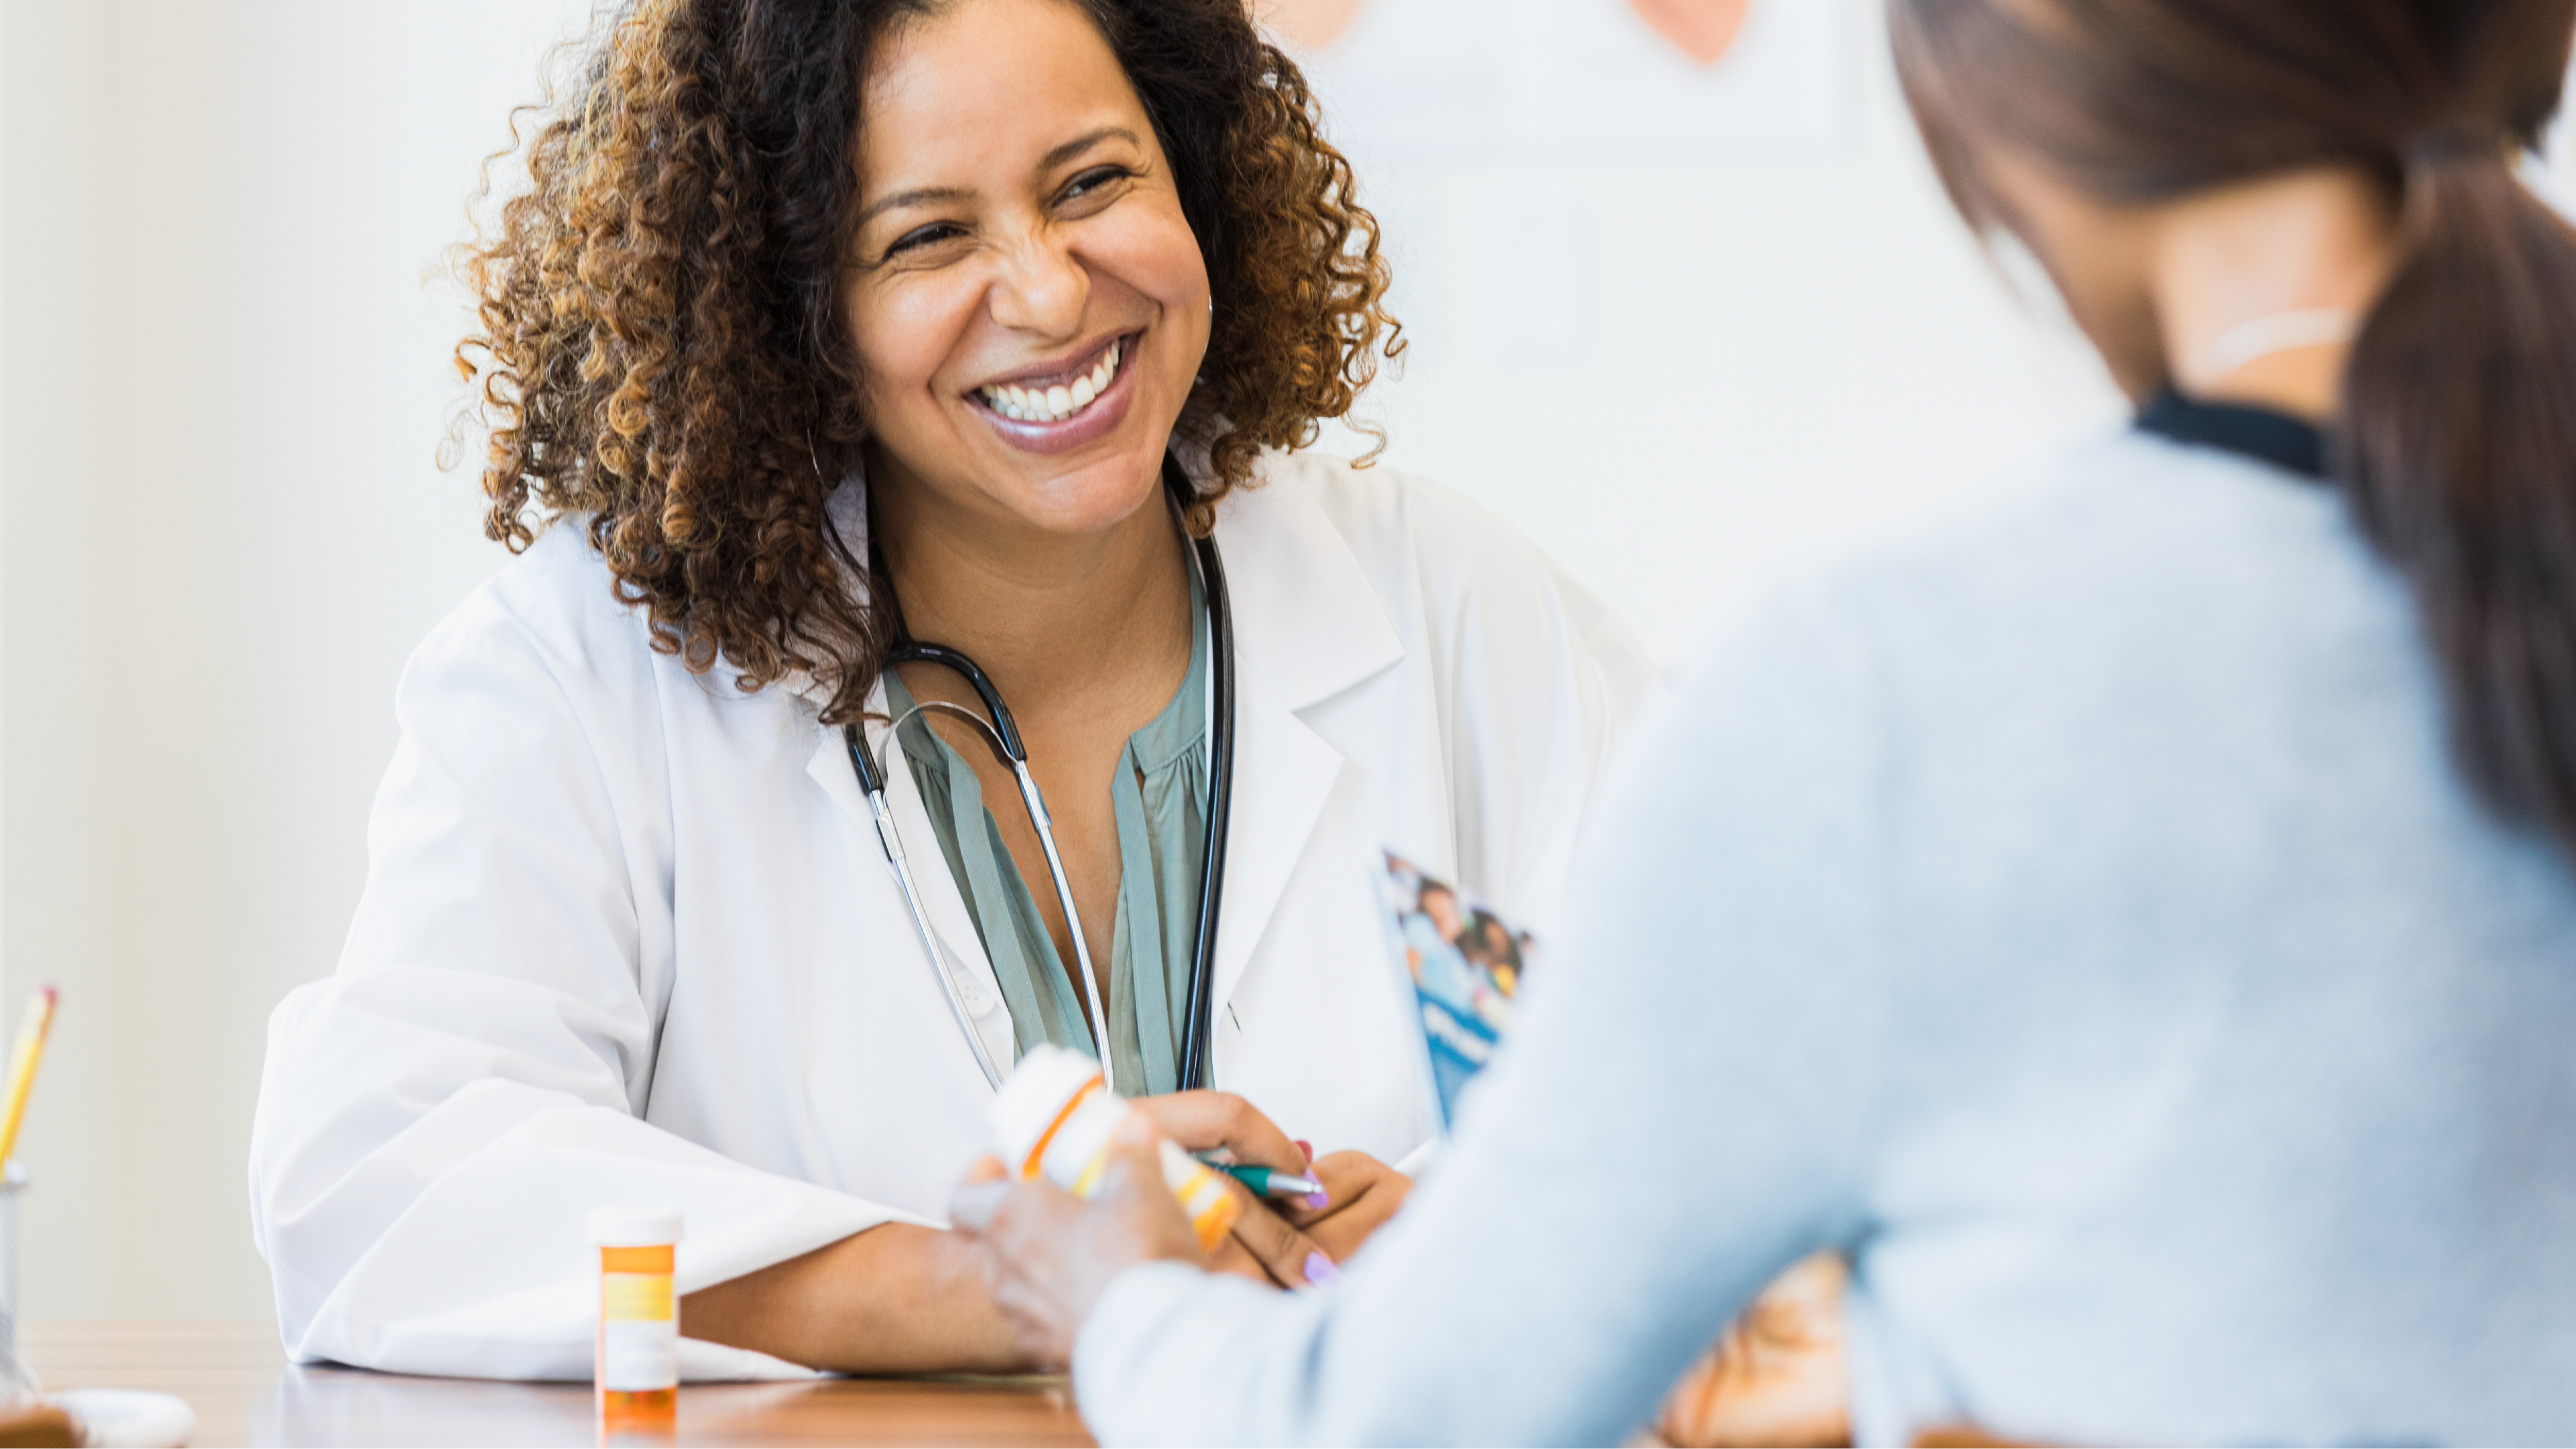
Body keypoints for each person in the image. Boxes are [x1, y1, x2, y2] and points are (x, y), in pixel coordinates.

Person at [951, 1, 2576, 1442]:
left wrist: (1126, 1301)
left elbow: (1388, 1422)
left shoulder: (1898, 681)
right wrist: (1913, 1359)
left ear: (2020, 103)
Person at [246, 0, 1656, 1380]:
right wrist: (991, 1287)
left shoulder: (1455, 607)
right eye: (926, 237)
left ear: (1199, 175)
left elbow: (1751, 1057)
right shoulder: (589, 671)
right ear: (798, 313)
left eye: (1094, 182)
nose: (1047, 292)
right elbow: (371, 1186)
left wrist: (1495, 1234)